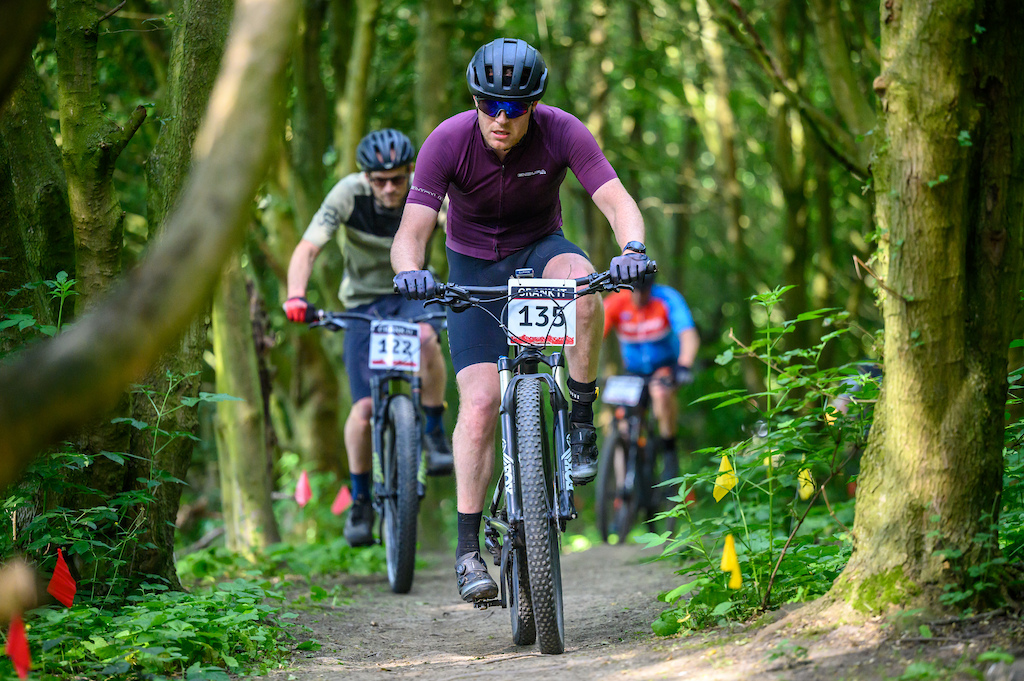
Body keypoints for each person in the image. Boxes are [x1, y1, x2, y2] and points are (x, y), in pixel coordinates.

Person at [390, 38, 650, 603]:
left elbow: (617, 200)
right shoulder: (448, 140)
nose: (501, 119)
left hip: (539, 250)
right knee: (480, 403)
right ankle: (467, 552)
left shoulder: (563, 131)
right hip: (472, 267)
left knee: (584, 288)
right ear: (475, 101)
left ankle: (581, 418)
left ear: (534, 105)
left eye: (515, 108)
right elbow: (411, 232)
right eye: (490, 106)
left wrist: (630, 247)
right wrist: (412, 270)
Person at [283, 129, 453, 548]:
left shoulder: (427, 190)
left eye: (397, 178)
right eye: (379, 180)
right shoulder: (346, 194)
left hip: (413, 295)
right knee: (361, 411)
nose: (390, 188)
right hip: (361, 306)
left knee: (429, 339)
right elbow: (307, 249)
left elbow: (467, 232)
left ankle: (432, 432)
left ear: (409, 171)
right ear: (365, 177)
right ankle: (360, 502)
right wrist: (295, 296)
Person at [603, 273, 700, 488]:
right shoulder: (616, 302)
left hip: (664, 366)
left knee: (660, 393)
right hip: (634, 371)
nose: (638, 296)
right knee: (622, 425)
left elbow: (688, 335)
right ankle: (622, 490)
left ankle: (668, 452)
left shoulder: (666, 299)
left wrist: (684, 365)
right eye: (634, 290)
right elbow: (593, 333)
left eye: (643, 290)